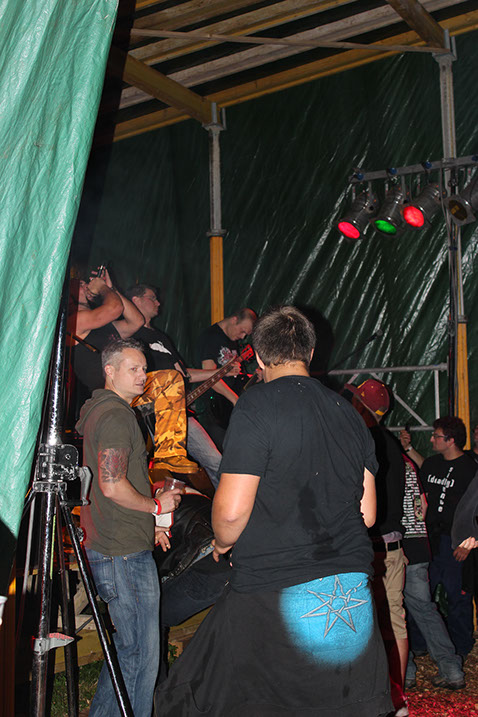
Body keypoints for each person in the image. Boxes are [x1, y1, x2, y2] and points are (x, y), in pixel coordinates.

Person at [157, 306, 393, 717]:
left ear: (261, 358)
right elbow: (367, 514)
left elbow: (231, 514)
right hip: (348, 592)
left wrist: (222, 543)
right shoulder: (350, 415)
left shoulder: (257, 405)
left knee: (196, 698)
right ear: (311, 353)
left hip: (273, 589)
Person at [77, 339, 182, 717]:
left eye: (144, 368)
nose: (143, 375)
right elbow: (111, 484)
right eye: (133, 368)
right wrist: (155, 507)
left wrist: (147, 523)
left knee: (130, 650)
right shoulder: (116, 416)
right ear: (109, 370)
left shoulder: (101, 411)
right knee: (141, 655)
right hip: (121, 552)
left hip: (114, 540)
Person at [125, 284, 239, 486]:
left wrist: (222, 372)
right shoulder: (130, 336)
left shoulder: (161, 337)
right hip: (152, 413)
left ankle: (226, 504)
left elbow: (184, 375)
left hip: (180, 412)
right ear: (136, 300)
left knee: (216, 461)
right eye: (152, 298)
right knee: (165, 473)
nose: (158, 302)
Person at [346, 379, 408, 716]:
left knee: (365, 624)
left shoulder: (360, 441)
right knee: (394, 621)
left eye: (353, 399)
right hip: (393, 545)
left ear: (360, 406)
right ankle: (397, 698)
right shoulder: (391, 444)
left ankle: (383, 696)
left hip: (370, 546)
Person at [398, 444, 465, 690]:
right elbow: (423, 506)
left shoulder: (380, 461)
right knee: (425, 610)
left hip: (396, 545)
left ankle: (405, 672)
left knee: (393, 612)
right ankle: (451, 669)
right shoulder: (408, 464)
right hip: (418, 544)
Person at [414, 417, 476, 659]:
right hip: (429, 539)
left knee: (457, 595)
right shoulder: (431, 464)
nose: (432, 439)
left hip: (455, 542)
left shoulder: (470, 469)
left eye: (436, 436)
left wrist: (469, 541)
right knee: (422, 595)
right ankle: (420, 643)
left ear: (450, 440)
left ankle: (461, 646)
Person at [68, 267, 144, 395]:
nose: (87, 285)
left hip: (123, 391)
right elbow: (115, 308)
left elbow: (136, 321)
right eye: (81, 284)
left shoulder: (101, 324)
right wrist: (102, 287)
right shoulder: (75, 321)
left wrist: (111, 289)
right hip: (107, 396)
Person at [195, 307, 257, 449]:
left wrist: (254, 377)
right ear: (234, 320)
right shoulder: (211, 337)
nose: (243, 337)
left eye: (246, 334)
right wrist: (234, 399)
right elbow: (210, 377)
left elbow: (235, 377)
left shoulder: (231, 340)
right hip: (213, 409)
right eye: (242, 331)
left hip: (227, 407)